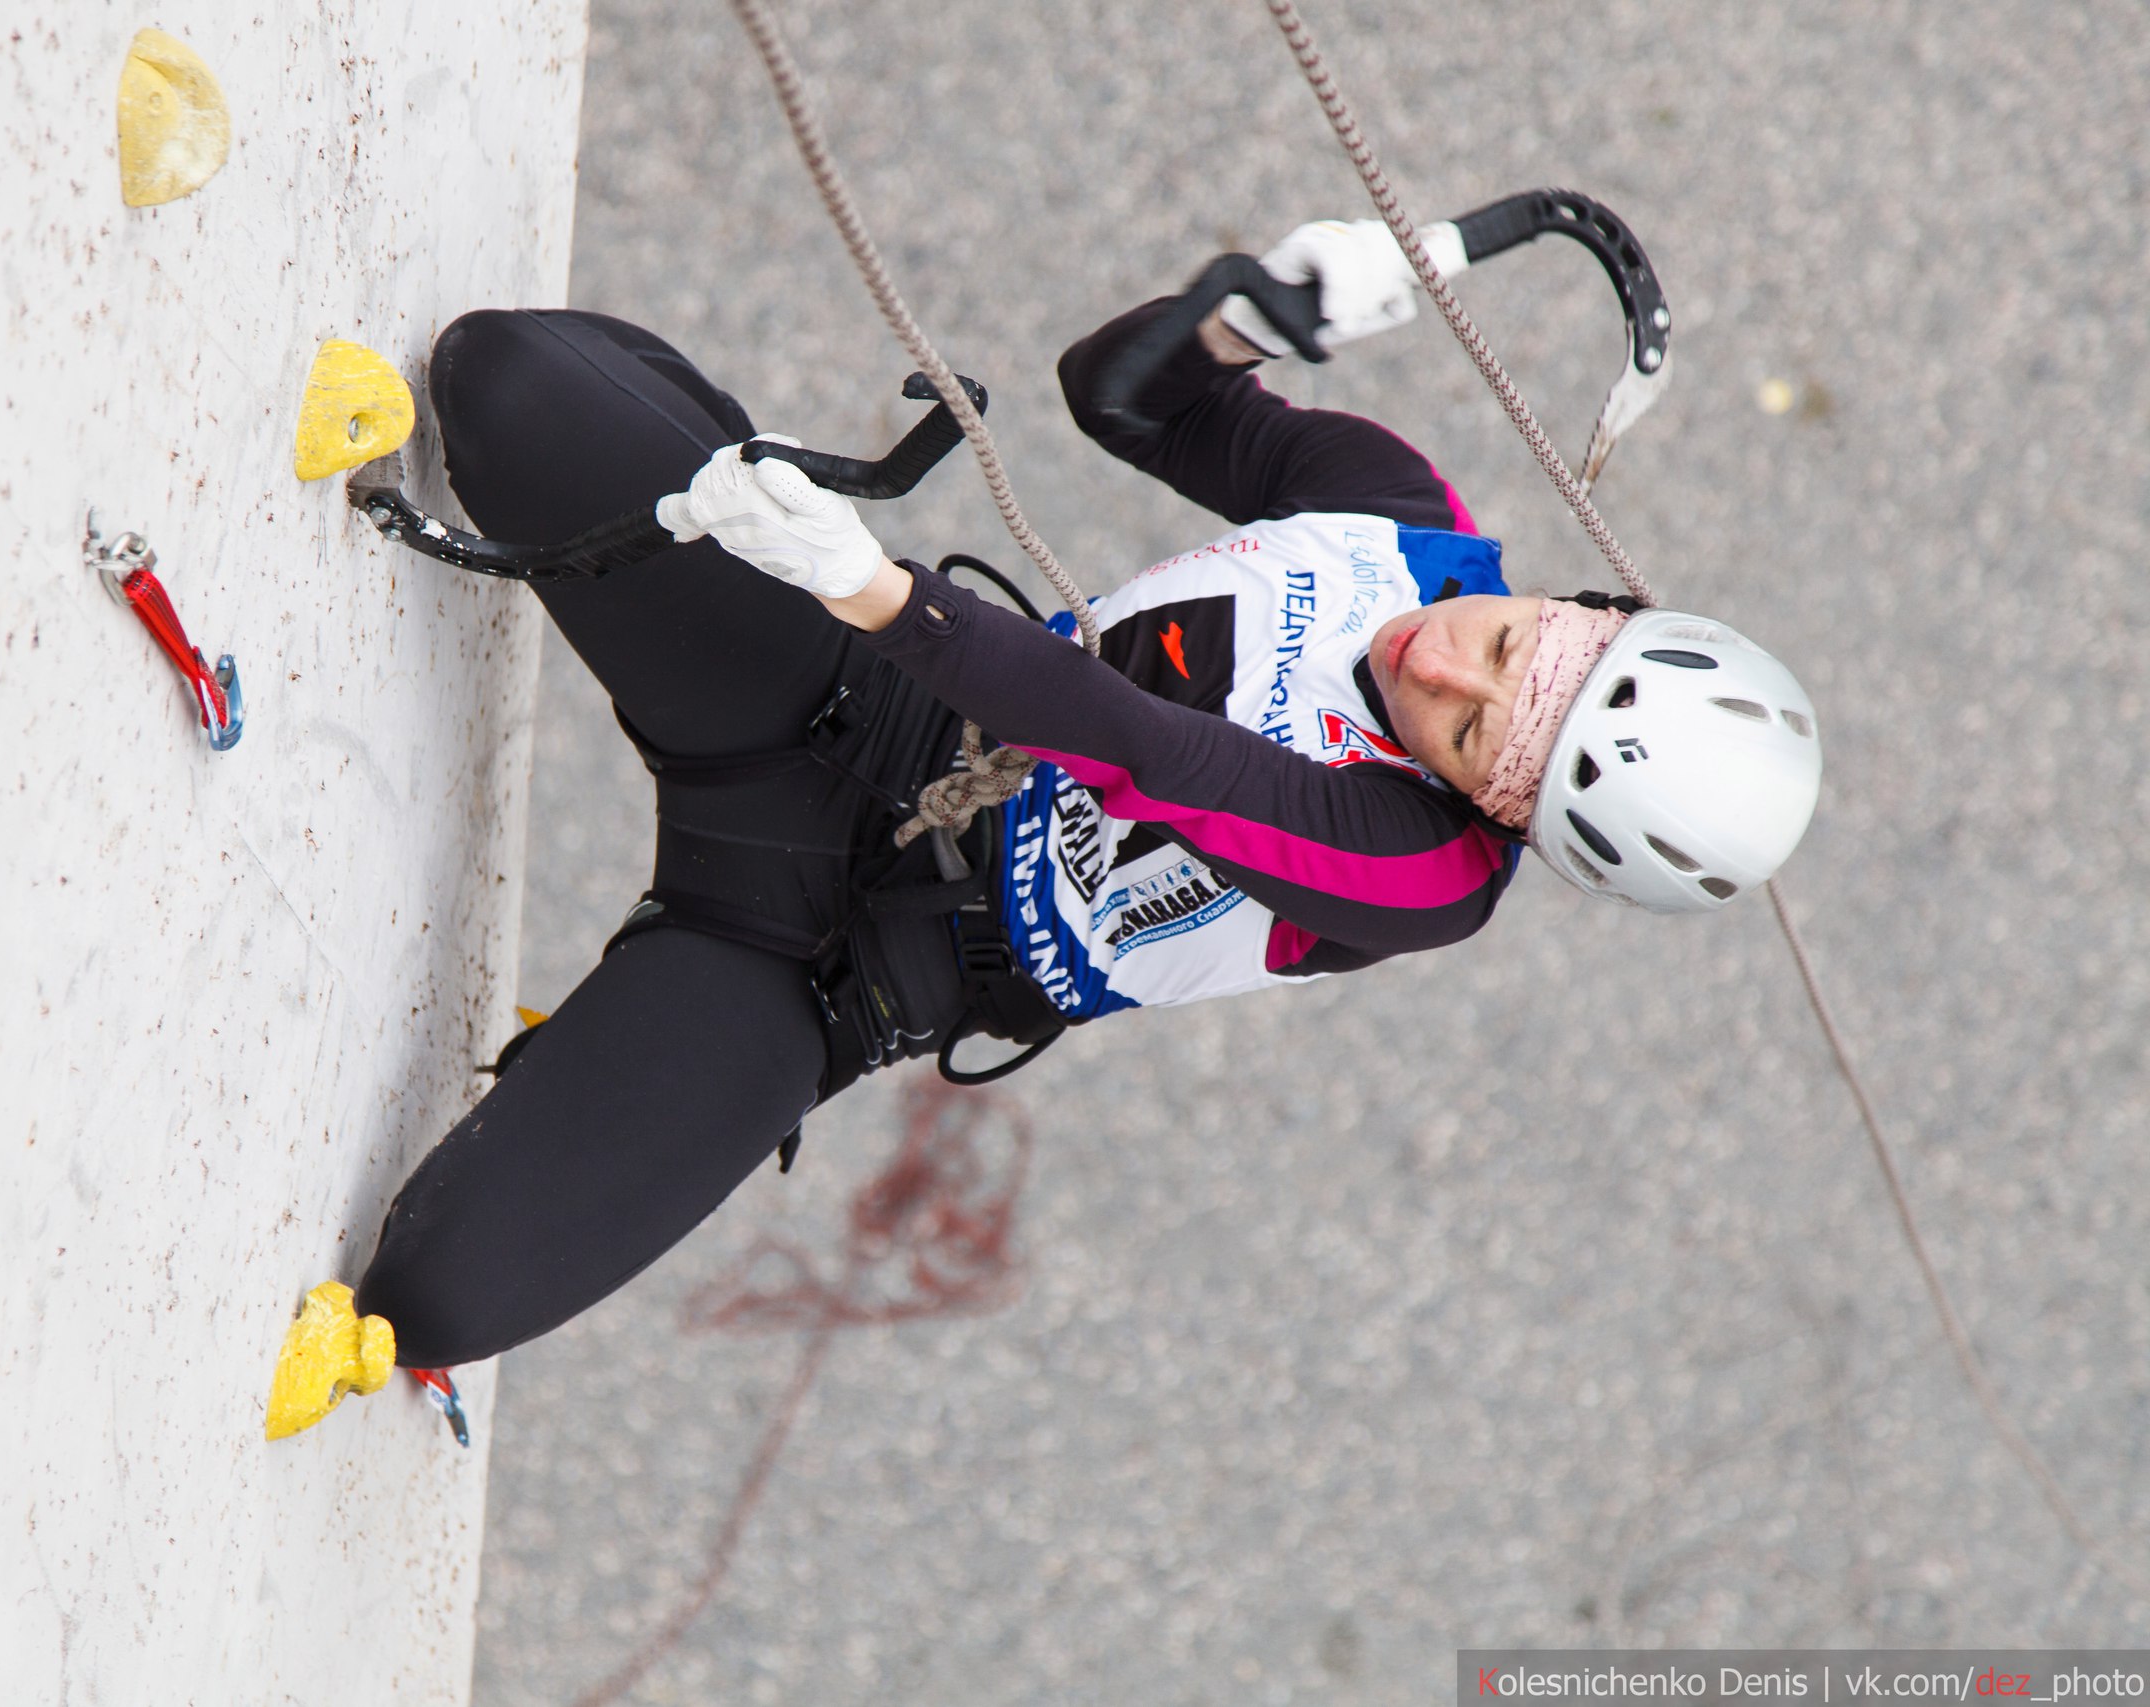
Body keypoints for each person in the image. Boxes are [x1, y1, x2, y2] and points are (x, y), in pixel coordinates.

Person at [263, 219, 1823, 1439]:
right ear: (1584, 597)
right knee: (504, 379)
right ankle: (696, 471)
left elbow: (1163, 763)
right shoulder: (1405, 524)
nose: (1444, 666)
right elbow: (1122, 392)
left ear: (1496, 806)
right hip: (859, 713)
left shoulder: (1427, 874)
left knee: (433, 1294)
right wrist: (1257, 305)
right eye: (1510, 638)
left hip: (835, 973)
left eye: (1478, 734)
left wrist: (866, 582)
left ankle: (630, 1039)